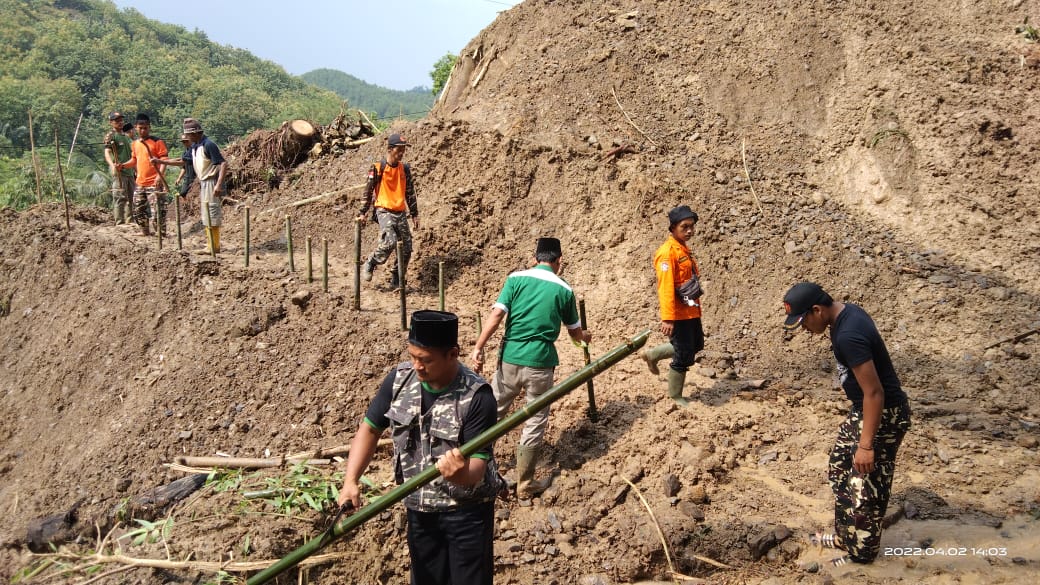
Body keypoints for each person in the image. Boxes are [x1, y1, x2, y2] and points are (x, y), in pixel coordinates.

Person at [338, 310, 504, 585]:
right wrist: (350, 480)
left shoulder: (477, 396)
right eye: (413, 356)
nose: (417, 366)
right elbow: (369, 429)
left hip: (466, 514)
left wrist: (458, 474)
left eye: (425, 360)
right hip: (419, 509)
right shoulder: (399, 381)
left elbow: (477, 467)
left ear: (452, 354)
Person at [782, 281, 911, 565]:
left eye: (803, 322)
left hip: (884, 414)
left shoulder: (848, 334)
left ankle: (861, 558)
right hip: (863, 410)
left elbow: (875, 392)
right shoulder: (845, 314)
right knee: (840, 466)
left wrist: (866, 446)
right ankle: (846, 536)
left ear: (817, 310)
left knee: (865, 487)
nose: (803, 329)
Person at [470, 237, 592, 499]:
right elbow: (574, 333)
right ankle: (525, 484)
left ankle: (474, 471)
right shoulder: (564, 289)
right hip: (541, 363)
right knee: (535, 420)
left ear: (535, 257)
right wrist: (585, 338)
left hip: (509, 359)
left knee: (494, 411)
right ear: (558, 261)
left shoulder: (515, 279)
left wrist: (479, 346)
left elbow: (496, 316)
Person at [640, 205, 705, 406]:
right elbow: (666, 288)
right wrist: (667, 318)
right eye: (684, 227)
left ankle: (652, 355)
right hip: (678, 313)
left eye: (691, 226)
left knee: (696, 345)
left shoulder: (683, 248)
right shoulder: (667, 254)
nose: (689, 231)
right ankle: (675, 396)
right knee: (684, 354)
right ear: (673, 228)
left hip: (690, 308)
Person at [356, 133, 419, 289]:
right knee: (390, 241)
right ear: (390, 149)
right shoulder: (378, 168)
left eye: (404, 150)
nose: (402, 153)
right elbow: (368, 191)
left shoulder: (404, 169)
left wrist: (415, 214)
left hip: (400, 211)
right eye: (399, 149)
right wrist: (362, 212)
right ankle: (371, 261)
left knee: (407, 248)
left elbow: (409, 192)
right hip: (383, 210)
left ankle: (397, 279)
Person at [154, 119, 225, 252]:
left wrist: (219, 184)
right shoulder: (194, 146)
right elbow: (183, 161)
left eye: (189, 135)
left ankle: (214, 246)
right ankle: (210, 244)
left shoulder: (208, 145)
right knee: (206, 214)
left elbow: (222, 164)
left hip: (211, 181)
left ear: (196, 133)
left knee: (212, 212)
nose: (187, 138)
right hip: (203, 182)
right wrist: (161, 161)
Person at [117, 114, 168, 236]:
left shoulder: (157, 141)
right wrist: (122, 165)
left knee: (157, 210)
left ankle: (161, 233)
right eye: (140, 128)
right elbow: (134, 160)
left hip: (154, 182)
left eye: (145, 128)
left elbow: (164, 159)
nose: (143, 130)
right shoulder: (135, 144)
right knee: (138, 209)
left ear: (149, 127)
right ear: (136, 128)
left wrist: (159, 176)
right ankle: (145, 231)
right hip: (140, 183)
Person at [102, 112, 134, 225]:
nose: (120, 122)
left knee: (132, 198)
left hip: (130, 171)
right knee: (120, 198)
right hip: (119, 172)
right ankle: (119, 222)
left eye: (121, 120)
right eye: (116, 120)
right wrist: (113, 165)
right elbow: (107, 153)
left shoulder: (126, 136)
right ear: (111, 122)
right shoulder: (111, 136)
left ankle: (130, 221)